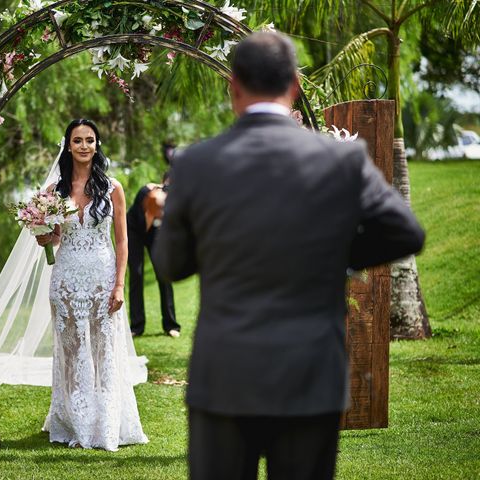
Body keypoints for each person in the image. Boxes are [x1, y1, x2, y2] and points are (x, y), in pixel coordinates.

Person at [153, 32, 425, 480]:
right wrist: (335, 253)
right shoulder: (341, 158)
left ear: (234, 87)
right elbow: (405, 232)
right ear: (296, 85)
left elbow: (170, 265)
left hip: (225, 377)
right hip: (311, 377)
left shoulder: (197, 163)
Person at [36, 119, 148, 451]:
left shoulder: (112, 188)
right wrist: (43, 237)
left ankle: (106, 420)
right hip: (66, 278)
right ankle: (73, 419)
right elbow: (55, 238)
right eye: (78, 140)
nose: (84, 146)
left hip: (101, 278)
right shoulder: (54, 191)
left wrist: (119, 285)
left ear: (97, 145)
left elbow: (123, 242)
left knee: (103, 349)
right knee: (70, 350)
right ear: (68, 146)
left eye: (90, 140)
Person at [127, 170, 180, 338]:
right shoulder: (147, 192)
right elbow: (147, 220)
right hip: (134, 230)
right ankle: (137, 326)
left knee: (163, 274)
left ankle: (171, 325)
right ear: (162, 183)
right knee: (136, 273)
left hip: (155, 231)